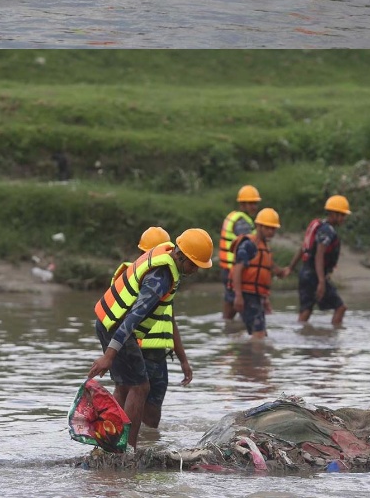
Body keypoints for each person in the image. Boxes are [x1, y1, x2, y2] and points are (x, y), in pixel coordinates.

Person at [87, 227, 212, 449]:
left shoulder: (165, 265)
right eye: (193, 264)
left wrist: (183, 359)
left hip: (110, 324)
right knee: (140, 387)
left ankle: (113, 445)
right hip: (118, 328)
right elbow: (132, 318)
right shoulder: (161, 276)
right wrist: (108, 355)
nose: (194, 270)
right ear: (180, 254)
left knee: (129, 385)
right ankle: (127, 449)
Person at [110, 226, 193, 430]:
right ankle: (117, 440)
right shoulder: (135, 277)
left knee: (152, 420)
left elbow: (170, 320)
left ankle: (140, 444)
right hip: (133, 347)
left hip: (158, 356)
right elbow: (126, 317)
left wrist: (183, 360)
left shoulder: (166, 280)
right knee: (127, 393)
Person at [284, 194, 351, 327]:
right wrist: (321, 281)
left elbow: (304, 248)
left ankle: (302, 337)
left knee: (306, 312)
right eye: (342, 215)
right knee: (340, 307)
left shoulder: (318, 226)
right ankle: (332, 341)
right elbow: (319, 255)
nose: (344, 218)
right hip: (314, 275)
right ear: (333, 214)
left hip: (305, 273)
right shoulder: (327, 231)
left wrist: (291, 268)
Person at [231, 206, 287, 339]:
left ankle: (251, 357)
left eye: (273, 229)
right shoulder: (249, 244)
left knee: (261, 334)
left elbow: (266, 268)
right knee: (259, 334)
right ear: (258, 226)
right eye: (268, 228)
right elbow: (238, 270)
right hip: (247, 295)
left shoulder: (264, 246)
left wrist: (265, 299)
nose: (271, 231)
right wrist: (238, 296)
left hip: (257, 296)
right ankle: (254, 358)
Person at [219, 185, 260, 320]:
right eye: (251, 203)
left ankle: (227, 329)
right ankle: (240, 331)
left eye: (255, 203)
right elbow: (248, 245)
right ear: (242, 204)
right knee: (243, 305)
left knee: (230, 304)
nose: (254, 207)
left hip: (228, 269)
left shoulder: (233, 217)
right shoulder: (242, 223)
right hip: (236, 270)